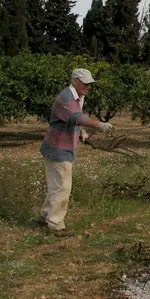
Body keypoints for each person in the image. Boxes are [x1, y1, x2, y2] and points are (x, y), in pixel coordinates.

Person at [38, 68, 113, 237]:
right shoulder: (66, 98)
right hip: (58, 149)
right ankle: (56, 225)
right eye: (85, 83)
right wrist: (99, 125)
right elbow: (76, 117)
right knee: (63, 187)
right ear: (74, 81)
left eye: (89, 84)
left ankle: (45, 216)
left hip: (57, 146)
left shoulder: (77, 96)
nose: (88, 86)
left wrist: (81, 133)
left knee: (55, 186)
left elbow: (74, 119)